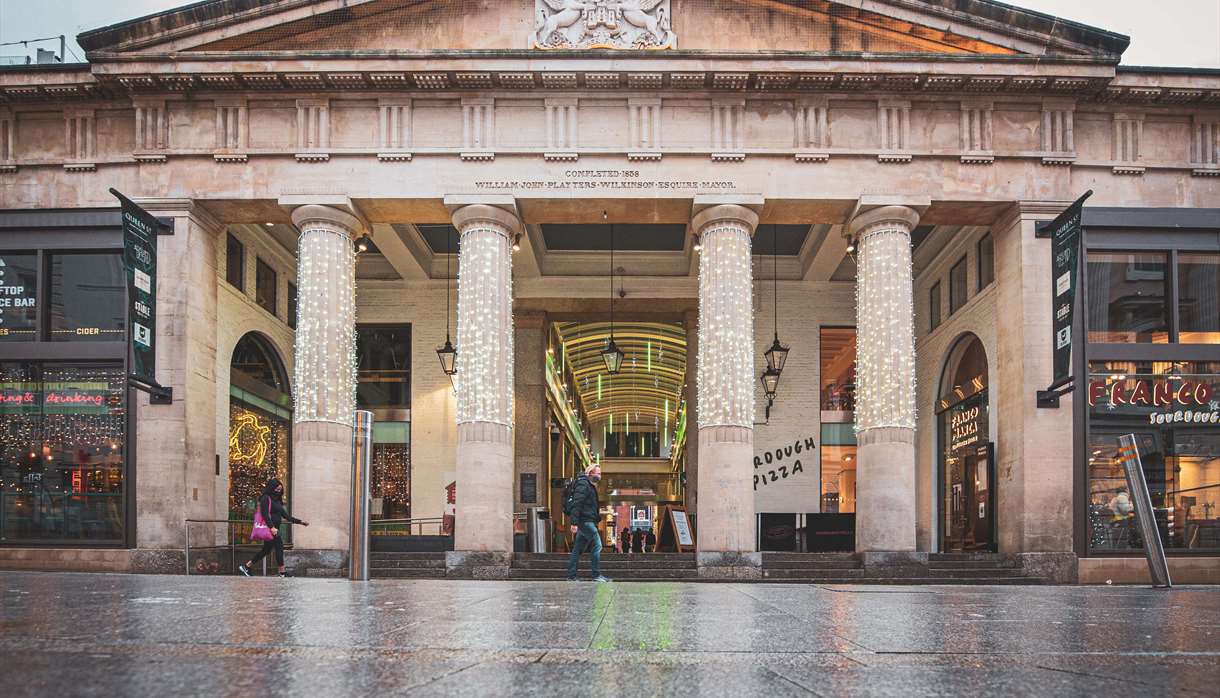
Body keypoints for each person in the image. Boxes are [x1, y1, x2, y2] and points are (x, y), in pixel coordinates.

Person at [239, 478, 308, 578]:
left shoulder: (278, 501)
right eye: (277, 489)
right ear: (271, 488)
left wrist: (300, 522)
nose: (278, 491)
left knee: (266, 550)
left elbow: (286, 516)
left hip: (275, 529)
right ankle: (282, 572)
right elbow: (265, 514)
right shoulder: (265, 498)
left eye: (280, 490)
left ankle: (246, 566)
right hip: (271, 529)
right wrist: (272, 527)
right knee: (279, 547)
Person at [565, 465, 610, 582]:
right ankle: (596, 575)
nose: (599, 476)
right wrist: (574, 523)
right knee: (597, 545)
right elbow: (577, 503)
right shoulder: (583, 484)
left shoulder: (588, 485)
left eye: (600, 474)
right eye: (597, 473)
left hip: (587, 521)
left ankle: (571, 575)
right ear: (590, 473)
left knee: (577, 549)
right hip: (585, 521)